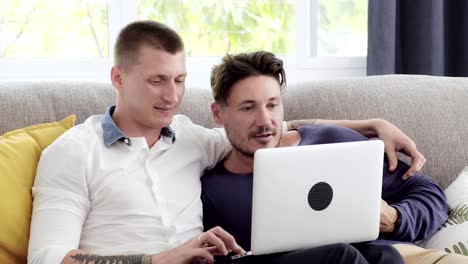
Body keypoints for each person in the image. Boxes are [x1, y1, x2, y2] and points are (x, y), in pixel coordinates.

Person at [28, 20, 427, 264]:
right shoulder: (72, 152)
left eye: (180, 80)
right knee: (339, 257)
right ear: (118, 78)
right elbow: (46, 258)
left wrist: (372, 125)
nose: (171, 95)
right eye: (156, 81)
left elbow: (260, 130)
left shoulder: (189, 138)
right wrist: (157, 260)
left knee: (382, 254)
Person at [202, 51, 451, 263]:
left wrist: (397, 219)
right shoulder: (211, 190)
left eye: (272, 105)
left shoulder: (329, 142)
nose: (265, 121)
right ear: (218, 113)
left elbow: (429, 193)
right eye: (248, 107)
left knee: (385, 256)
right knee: (341, 255)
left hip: (362, 253)